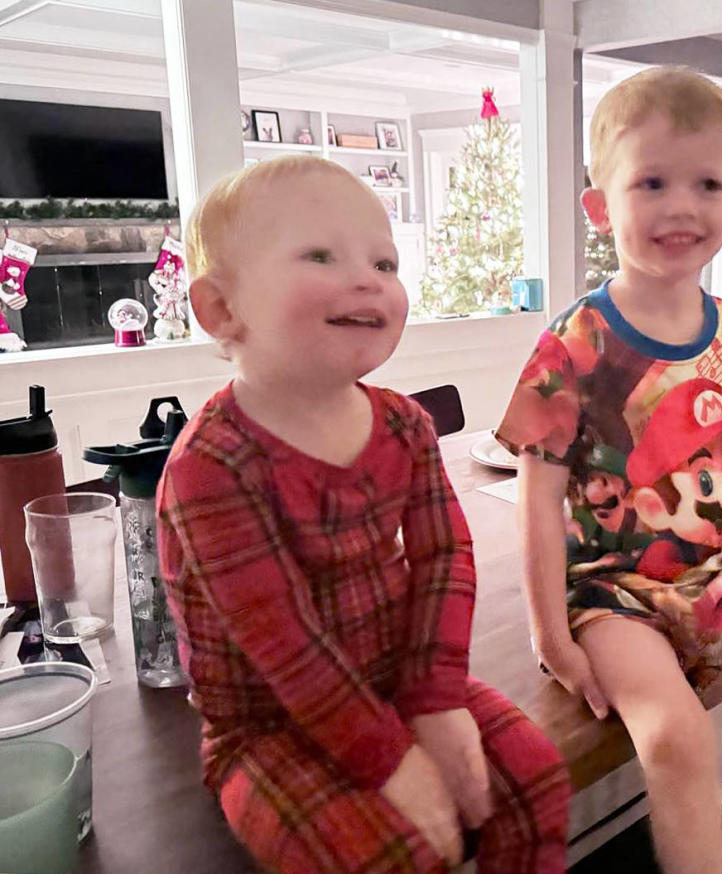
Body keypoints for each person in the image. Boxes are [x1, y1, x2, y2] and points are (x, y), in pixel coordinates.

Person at [156, 155, 569, 874]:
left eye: (385, 261)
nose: (369, 279)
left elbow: (446, 559)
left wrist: (434, 701)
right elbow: (283, 644)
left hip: (397, 677)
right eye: (321, 254)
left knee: (536, 780)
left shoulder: (406, 426)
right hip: (266, 728)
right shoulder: (209, 467)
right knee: (386, 856)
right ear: (221, 309)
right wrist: (393, 760)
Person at [497, 67, 722, 874]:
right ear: (601, 207)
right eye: (651, 182)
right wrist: (552, 634)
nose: (681, 206)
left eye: (706, 185)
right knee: (676, 739)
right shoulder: (575, 343)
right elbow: (536, 491)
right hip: (610, 595)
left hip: (721, 585)